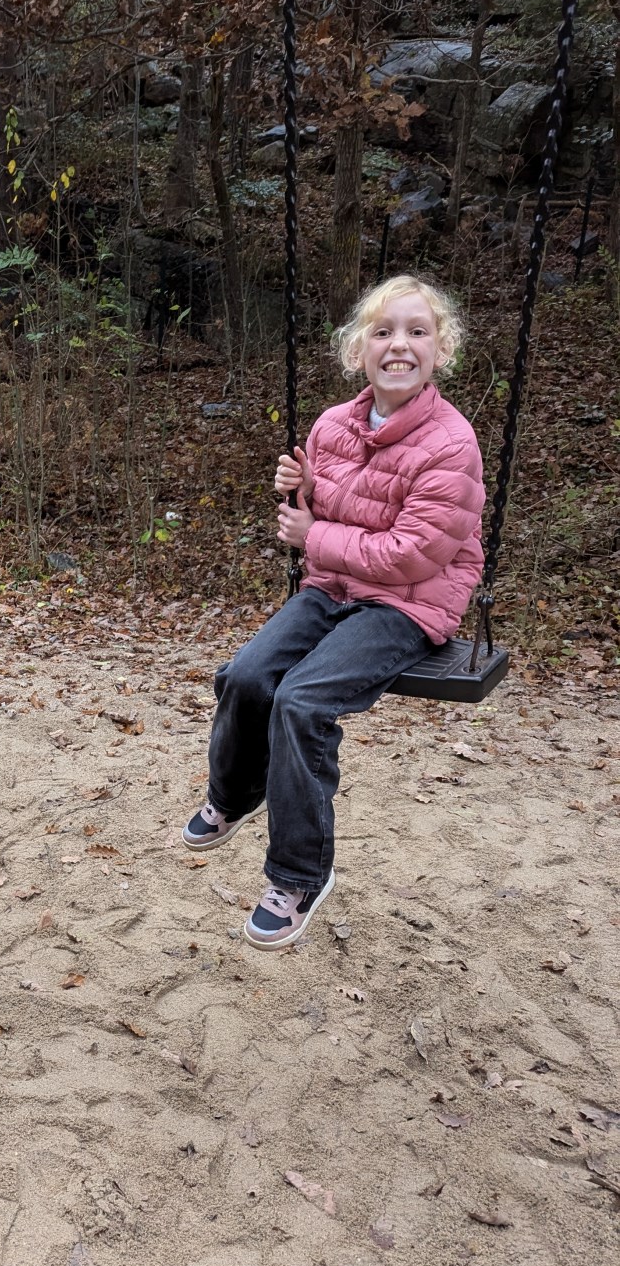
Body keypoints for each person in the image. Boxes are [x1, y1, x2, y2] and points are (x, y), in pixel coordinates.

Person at [182, 275, 484, 949]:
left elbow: (413, 554)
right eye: (383, 331)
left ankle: (299, 877)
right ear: (358, 351)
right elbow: (334, 510)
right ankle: (234, 795)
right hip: (334, 586)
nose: (399, 344)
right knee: (245, 677)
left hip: (407, 602)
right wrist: (305, 490)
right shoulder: (331, 425)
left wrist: (311, 534)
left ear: (440, 351)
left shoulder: (451, 443)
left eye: (416, 331)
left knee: (302, 702)